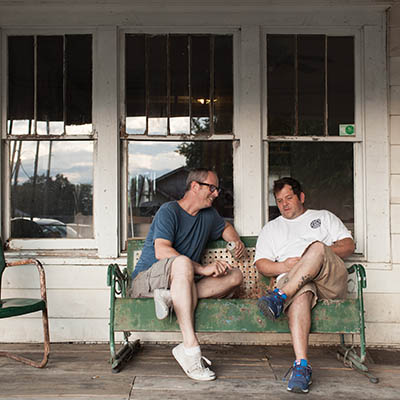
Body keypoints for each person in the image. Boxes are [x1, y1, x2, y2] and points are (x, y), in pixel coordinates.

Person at [129, 168, 244, 381]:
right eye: (212, 188)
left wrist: (235, 242)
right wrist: (202, 269)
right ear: (194, 186)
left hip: (182, 281)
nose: (216, 193)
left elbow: (225, 226)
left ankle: (172, 296)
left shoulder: (208, 215)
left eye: (217, 189)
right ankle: (190, 349)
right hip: (147, 281)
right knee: (181, 262)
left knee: (235, 276)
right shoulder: (169, 210)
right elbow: (162, 251)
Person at [255, 177, 355, 394]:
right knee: (300, 293)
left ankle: (279, 298)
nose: (284, 204)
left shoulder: (323, 217)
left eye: (289, 198)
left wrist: (315, 256)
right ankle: (301, 366)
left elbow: (348, 245)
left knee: (317, 248)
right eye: (279, 200)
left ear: (301, 197)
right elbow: (262, 264)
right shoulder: (272, 229)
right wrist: (283, 265)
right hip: (294, 281)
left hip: (328, 279)